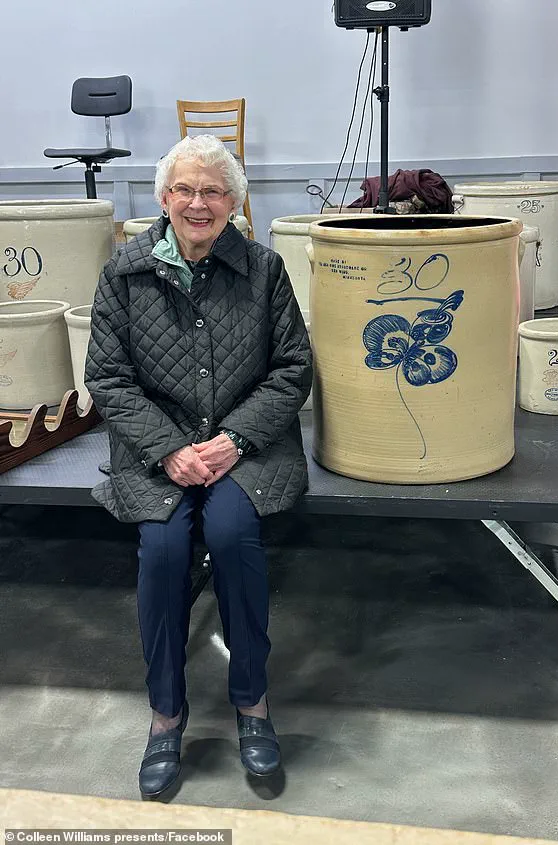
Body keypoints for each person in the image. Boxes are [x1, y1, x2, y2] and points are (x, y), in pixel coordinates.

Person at [85, 134, 312, 798]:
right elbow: (107, 378)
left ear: (234, 203)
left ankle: (252, 705)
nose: (197, 203)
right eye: (184, 189)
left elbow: (292, 370)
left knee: (233, 536)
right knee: (161, 549)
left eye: (213, 191)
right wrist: (166, 447)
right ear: (163, 198)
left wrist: (236, 438)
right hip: (157, 448)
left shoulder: (264, 270)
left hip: (246, 446)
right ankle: (165, 714)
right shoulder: (123, 273)